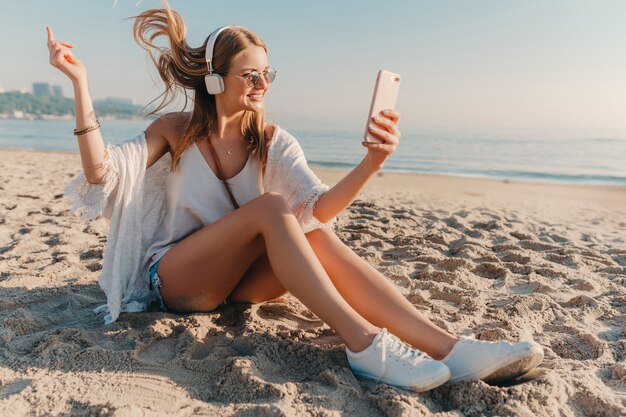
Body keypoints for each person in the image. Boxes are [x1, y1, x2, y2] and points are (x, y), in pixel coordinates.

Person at [46, 2, 543, 393]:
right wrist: (80, 82)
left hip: (238, 283)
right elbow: (101, 172)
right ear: (215, 80)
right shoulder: (175, 132)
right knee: (270, 208)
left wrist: (371, 163)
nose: (262, 84)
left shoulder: (272, 141)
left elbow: (316, 209)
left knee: (316, 237)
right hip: (176, 279)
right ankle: (366, 345)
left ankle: (449, 349)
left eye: (267, 74)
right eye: (250, 75)